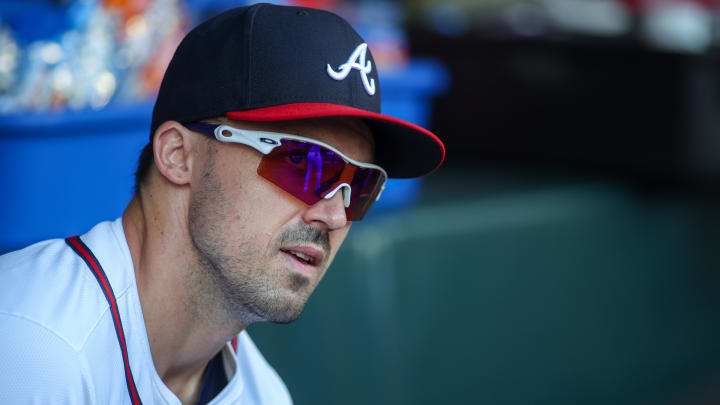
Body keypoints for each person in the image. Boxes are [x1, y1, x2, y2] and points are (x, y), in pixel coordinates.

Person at [0, 3, 444, 404]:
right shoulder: (32, 349)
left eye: (360, 185)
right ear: (178, 155)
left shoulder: (263, 394)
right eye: (305, 164)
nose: (332, 214)